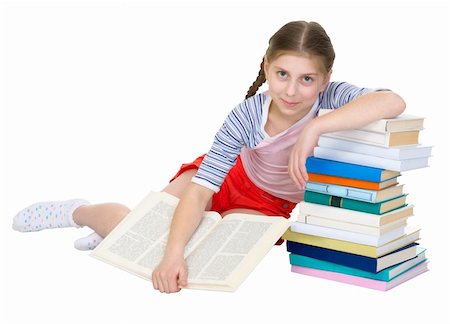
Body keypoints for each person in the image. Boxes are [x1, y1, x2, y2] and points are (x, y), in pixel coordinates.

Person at [12, 21, 406, 293]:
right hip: (223, 177)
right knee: (153, 241)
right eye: (282, 74)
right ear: (267, 66)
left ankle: (112, 236)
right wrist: (169, 256)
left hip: (269, 203)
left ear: (324, 77)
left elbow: (393, 101)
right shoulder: (246, 115)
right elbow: (201, 191)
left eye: (307, 79)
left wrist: (316, 127)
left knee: (208, 263)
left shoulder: (330, 98)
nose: (292, 91)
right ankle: (80, 212)